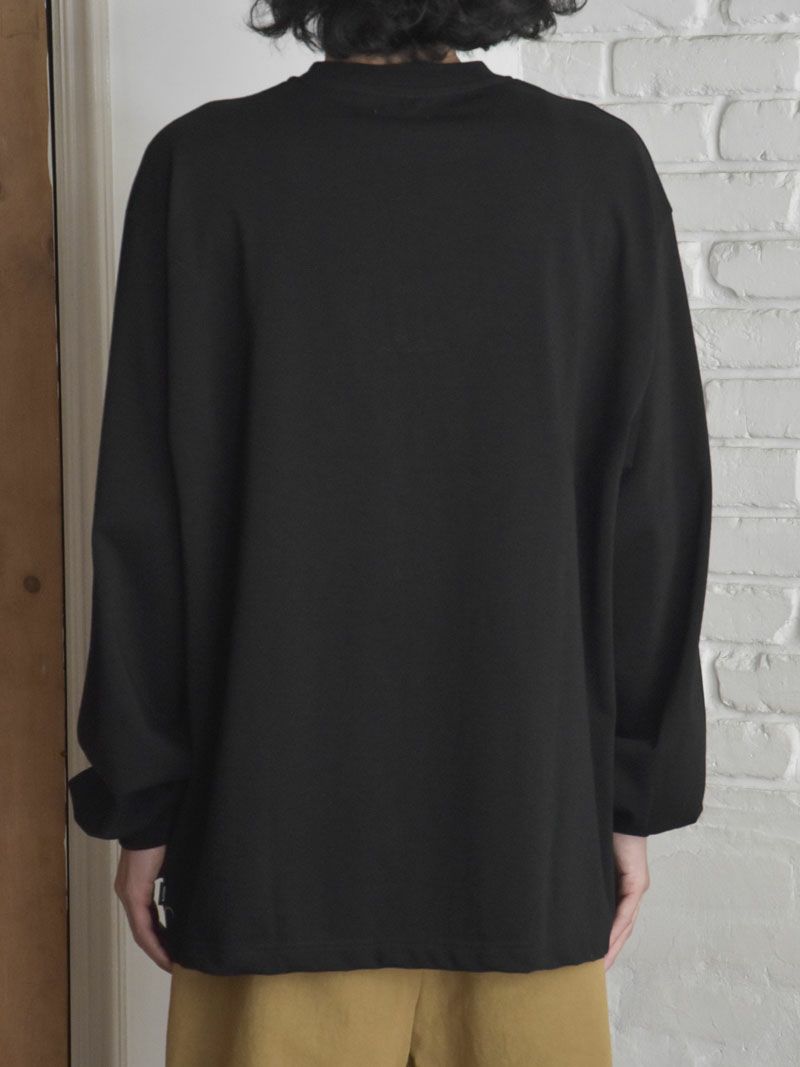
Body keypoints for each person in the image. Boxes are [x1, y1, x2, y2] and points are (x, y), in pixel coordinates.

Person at [67, 1, 713, 1063]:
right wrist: (629, 795)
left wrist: (147, 801)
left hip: (271, 835)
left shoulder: (203, 167)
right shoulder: (595, 170)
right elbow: (653, 514)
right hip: (523, 826)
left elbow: (145, 525)